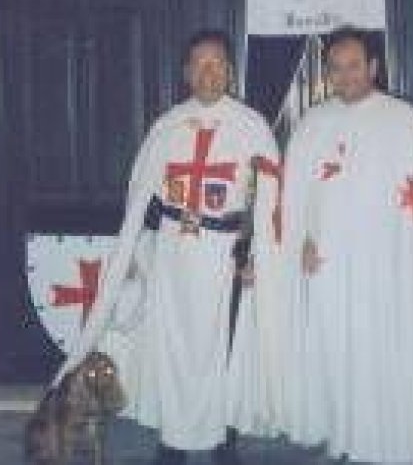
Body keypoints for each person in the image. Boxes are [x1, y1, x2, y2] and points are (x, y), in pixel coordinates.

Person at [53, 29, 284, 465]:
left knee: (223, 349)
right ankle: (174, 438)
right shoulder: (168, 126)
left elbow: (272, 202)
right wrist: (136, 255)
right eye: (199, 64)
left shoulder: (251, 127)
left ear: (230, 72)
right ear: (186, 73)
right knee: (173, 345)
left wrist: (259, 258)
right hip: (175, 253)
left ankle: (219, 436)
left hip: (224, 256)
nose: (208, 72)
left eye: (216, 63)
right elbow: (139, 198)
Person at [279, 26, 413, 464]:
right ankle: (348, 438)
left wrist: (408, 259)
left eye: (354, 66)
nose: (346, 75)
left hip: (386, 268)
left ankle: (392, 440)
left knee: (383, 350)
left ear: (372, 67)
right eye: (336, 67)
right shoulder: (313, 125)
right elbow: (297, 196)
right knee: (339, 353)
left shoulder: (403, 122)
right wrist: (302, 239)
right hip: (330, 267)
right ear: (326, 74)